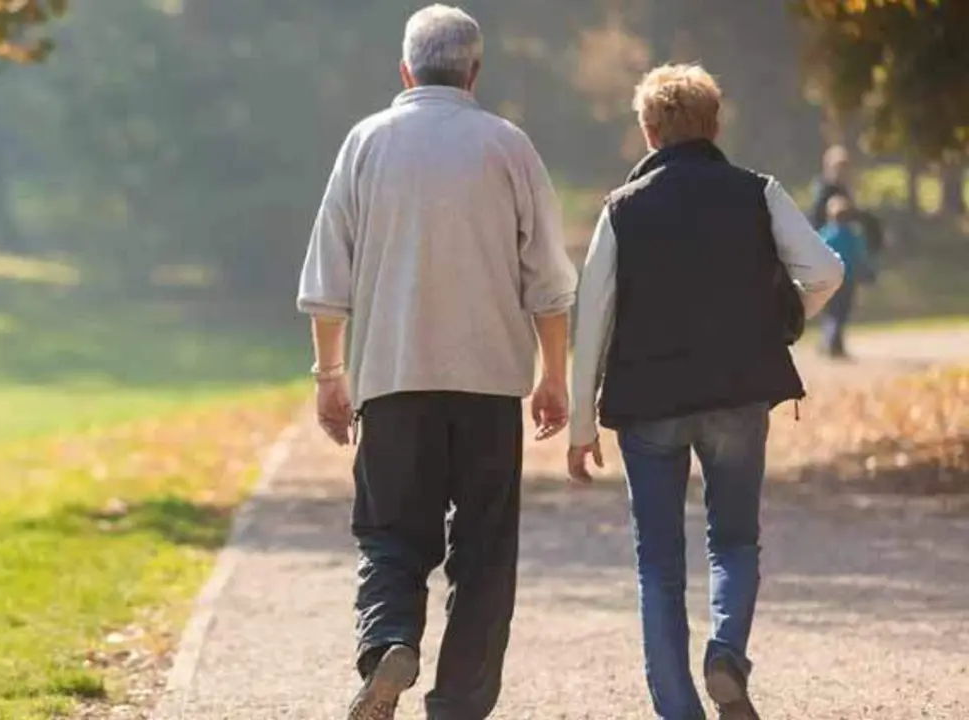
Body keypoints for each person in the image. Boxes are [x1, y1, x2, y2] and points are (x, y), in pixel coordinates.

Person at [297, 6, 577, 719]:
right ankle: (458, 704)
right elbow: (548, 281)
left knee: (390, 533)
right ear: (474, 73)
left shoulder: (366, 143)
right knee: (485, 553)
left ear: (405, 71)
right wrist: (553, 375)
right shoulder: (508, 146)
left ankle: (389, 642)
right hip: (489, 388)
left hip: (393, 381)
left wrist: (330, 377)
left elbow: (328, 278)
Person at [567, 64, 844, 720]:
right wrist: (782, 316)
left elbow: (593, 317)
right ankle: (726, 655)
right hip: (738, 394)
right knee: (736, 542)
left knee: (658, 565)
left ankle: (679, 711)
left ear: (649, 130)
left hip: (648, 405)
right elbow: (826, 270)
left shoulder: (621, 210)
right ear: (715, 126)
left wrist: (581, 423)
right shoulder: (757, 192)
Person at [819, 195, 875, 359]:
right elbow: (860, 256)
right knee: (841, 312)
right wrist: (867, 272)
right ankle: (834, 344)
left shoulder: (825, 235)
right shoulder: (853, 235)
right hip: (847, 279)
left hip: (828, 279)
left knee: (831, 311)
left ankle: (830, 342)